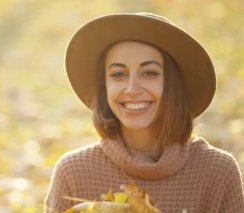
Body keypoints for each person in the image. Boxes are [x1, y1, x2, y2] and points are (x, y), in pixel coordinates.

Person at [45, 12, 244, 212]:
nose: (131, 89)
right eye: (118, 74)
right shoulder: (73, 172)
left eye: (149, 73)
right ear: (104, 86)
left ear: (173, 84)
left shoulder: (218, 172)